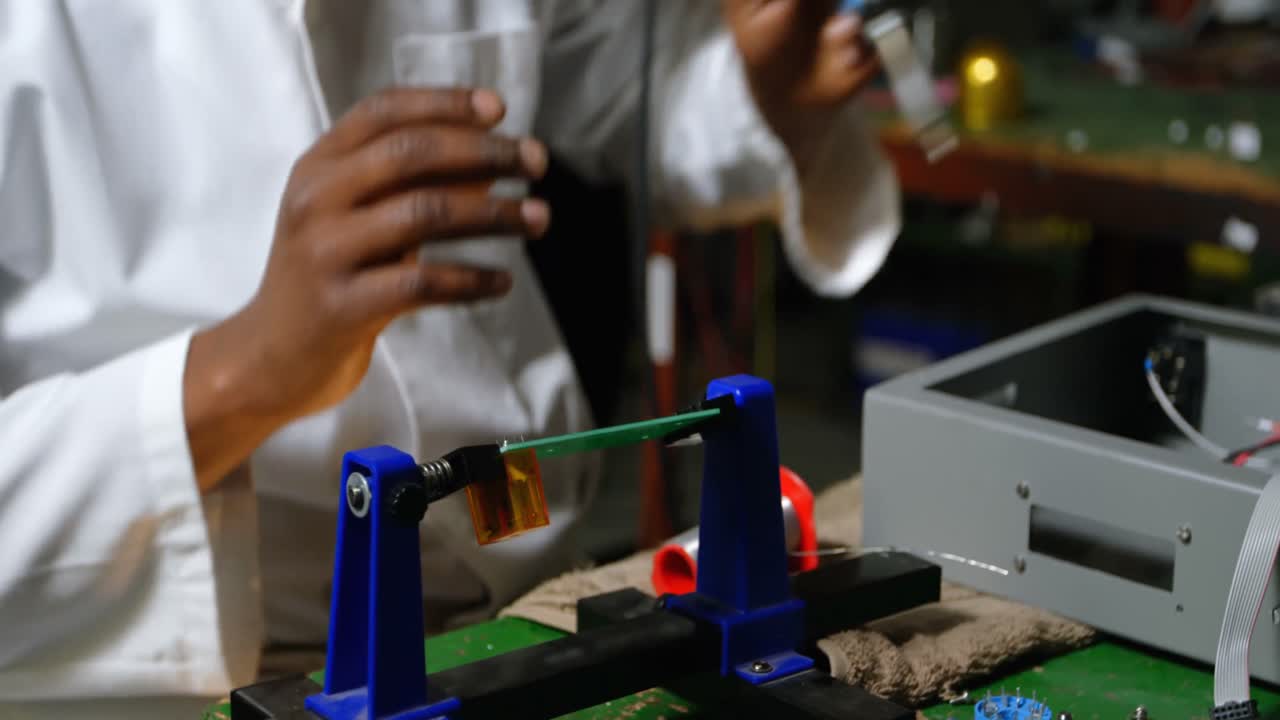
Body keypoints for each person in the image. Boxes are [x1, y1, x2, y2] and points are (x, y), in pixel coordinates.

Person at [0, 1, 901, 717]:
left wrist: (750, 88)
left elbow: (626, 98)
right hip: (174, 673)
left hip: (537, 597)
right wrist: (241, 375)